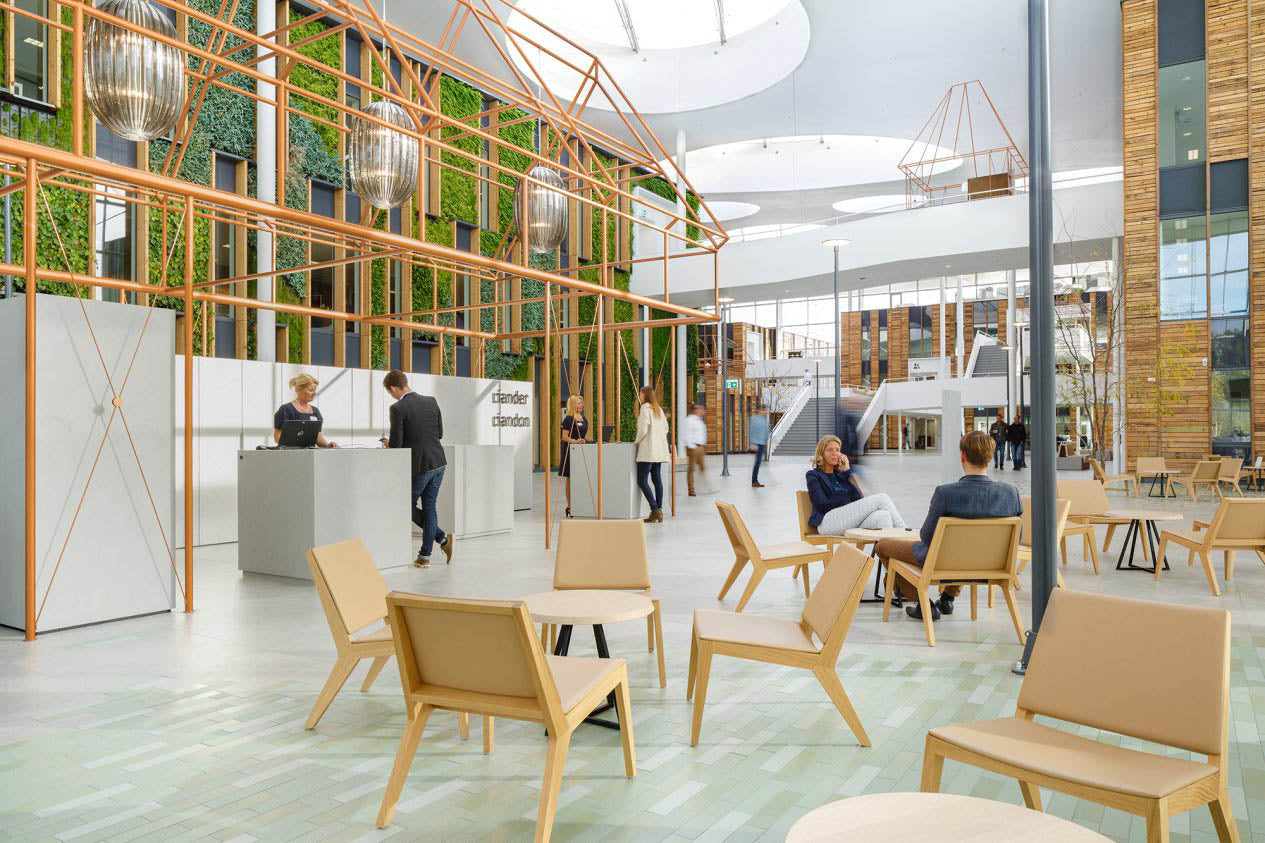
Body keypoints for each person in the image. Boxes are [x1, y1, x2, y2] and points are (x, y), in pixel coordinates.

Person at [874, 430, 1021, 621]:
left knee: (882, 546)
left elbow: (927, 537)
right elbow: (1015, 540)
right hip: (991, 565)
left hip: (943, 562)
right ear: (991, 457)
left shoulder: (946, 493)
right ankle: (947, 598)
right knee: (963, 550)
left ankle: (924, 604)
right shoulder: (1011, 493)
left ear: (962, 456)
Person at [382, 369, 454, 568]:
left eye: (390, 392)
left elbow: (397, 445)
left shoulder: (397, 408)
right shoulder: (431, 401)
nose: (391, 395)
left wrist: (387, 443)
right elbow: (439, 433)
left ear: (393, 388)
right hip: (439, 462)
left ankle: (440, 539)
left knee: (404, 505)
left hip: (420, 466)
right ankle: (426, 556)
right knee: (429, 508)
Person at [805, 435, 908, 533]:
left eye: (837, 450)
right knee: (882, 498)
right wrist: (845, 499)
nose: (835, 453)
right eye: (830, 450)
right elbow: (822, 504)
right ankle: (906, 535)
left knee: (883, 516)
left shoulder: (841, 475)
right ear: (821, 453)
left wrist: (847, 472)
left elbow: (857, 498)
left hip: (846, 520)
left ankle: (890, 546)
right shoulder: (813, 475)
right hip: (827, 522)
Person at [634, 385, 670, 523]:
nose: (639, 396)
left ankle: (655, 509)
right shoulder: (658, 409)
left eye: (640, 393)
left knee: (642, 480)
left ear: (644, 394)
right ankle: (659, 509)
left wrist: (636, 442)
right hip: (658, 450)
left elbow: (643, 429)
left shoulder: (645, 408)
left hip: (648, 450)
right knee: (657, 479)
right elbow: (666, 428)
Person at [273, 373, 338, 447]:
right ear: (298, 389)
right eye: (310, 390)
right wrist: (297, 444)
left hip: (309, 453)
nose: (314, 393)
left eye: (315, 390)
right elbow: (277, 437)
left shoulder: (315, 411)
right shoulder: (286, 409)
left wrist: (327, 445)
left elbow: (318, 437)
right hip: (290, 452)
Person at [558, 394, 588, 518]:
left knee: (582, 477)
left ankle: (580, 504)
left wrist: (590, 440)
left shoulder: (583, 418)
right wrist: (575, 441)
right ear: (573, 405)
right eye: (578, 403)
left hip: (582, 450)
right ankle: (570, 506)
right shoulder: (568, 419)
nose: (581, 405)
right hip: (570, 451)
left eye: (581, 403)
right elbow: (564, 437)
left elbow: (583, 435)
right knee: (570, 478)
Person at [683, 403, 708, 497]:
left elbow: (702, 434)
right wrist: (692, 447)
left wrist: (703, 447)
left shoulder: (700, 421)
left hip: (701, 447)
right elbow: (686, 434)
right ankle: (691, 490)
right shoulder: (689, 420)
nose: (702, 411)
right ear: (695, 410)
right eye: (700, 409)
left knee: (702, 467)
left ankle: (701, 486)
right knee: (692, 469)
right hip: (693, 447)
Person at [749, 404, 770, 488]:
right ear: (759, 410)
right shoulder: (754, 419)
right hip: (757, 444)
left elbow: (767, 431)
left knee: (758, 462)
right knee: (757, 462)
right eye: (763, 410)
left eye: (765, 410)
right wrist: (752, 443)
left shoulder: (765, 420)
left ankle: (755, 481)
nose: (765, 412)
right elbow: (751, 431)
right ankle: (754, 482)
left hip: (762, 443)